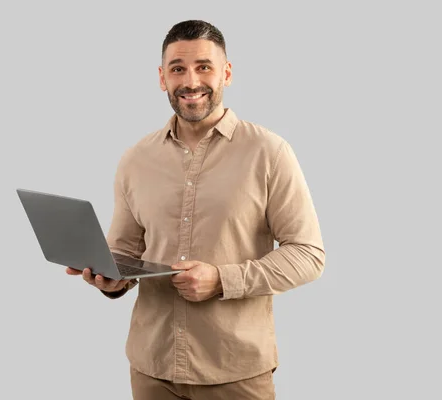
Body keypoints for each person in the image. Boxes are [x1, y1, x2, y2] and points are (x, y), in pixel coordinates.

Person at [66, 19, 325, 400]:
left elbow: (308, 255)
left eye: (204, 66)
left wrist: (223, 279)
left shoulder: (270, 153)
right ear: (161, 78)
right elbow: (124, 251)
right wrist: (111, 278)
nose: (191, 81)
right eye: (177, 69)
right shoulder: (136, 159)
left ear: (227, 73)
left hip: (235, 372)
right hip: (151, 368)